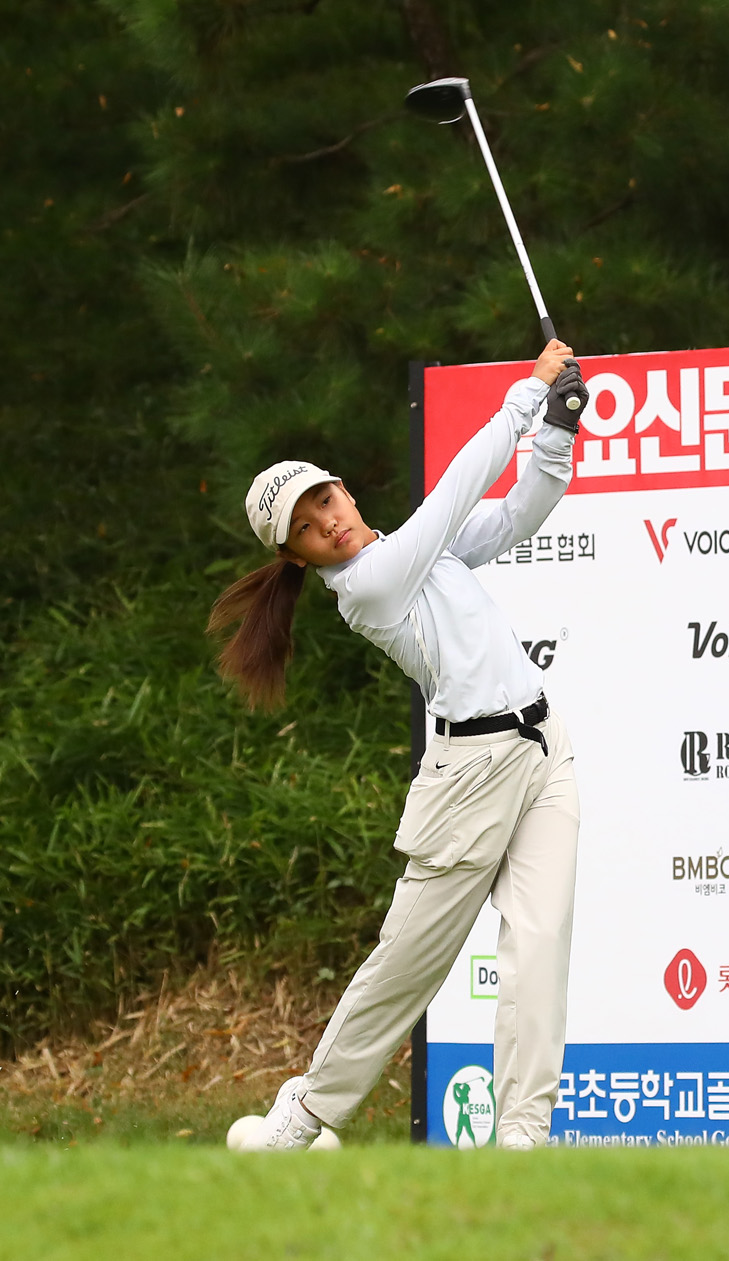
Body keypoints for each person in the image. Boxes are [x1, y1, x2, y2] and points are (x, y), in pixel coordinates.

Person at [209, 339, 589, 1150]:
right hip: (470, 776)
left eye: (326, 502)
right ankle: (306, 1112)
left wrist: (556, 429)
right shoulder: (368, 587)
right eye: (306, 530)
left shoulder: (415, 548)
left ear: (344, 487)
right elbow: (455, 496)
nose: (328, 525)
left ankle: (523, 1138)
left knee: (540, 944)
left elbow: (524, 508)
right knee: (408, 964)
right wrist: (526, 393)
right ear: (297, 558)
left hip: (543, 747)